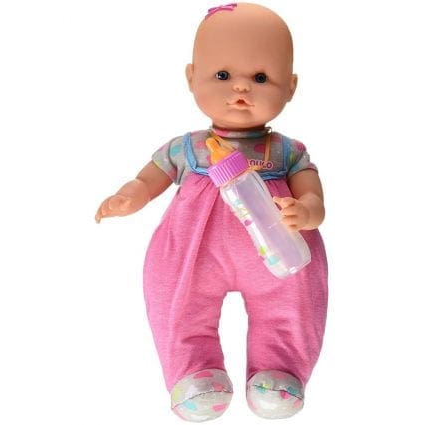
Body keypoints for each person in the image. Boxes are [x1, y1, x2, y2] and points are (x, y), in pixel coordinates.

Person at [95, 3, 328, 421]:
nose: (241, 87)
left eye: (261, 78)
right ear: (191, 77)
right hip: (193, 254)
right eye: (222, 75)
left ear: (291, 86)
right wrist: (130, 196)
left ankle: (280, 372)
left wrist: (306, 212)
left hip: (279, 252)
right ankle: (194, 374)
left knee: (295, 299)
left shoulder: (287, 152)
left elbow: (313, 197)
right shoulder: (188, 148)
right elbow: (149, 178)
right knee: (176, 298)